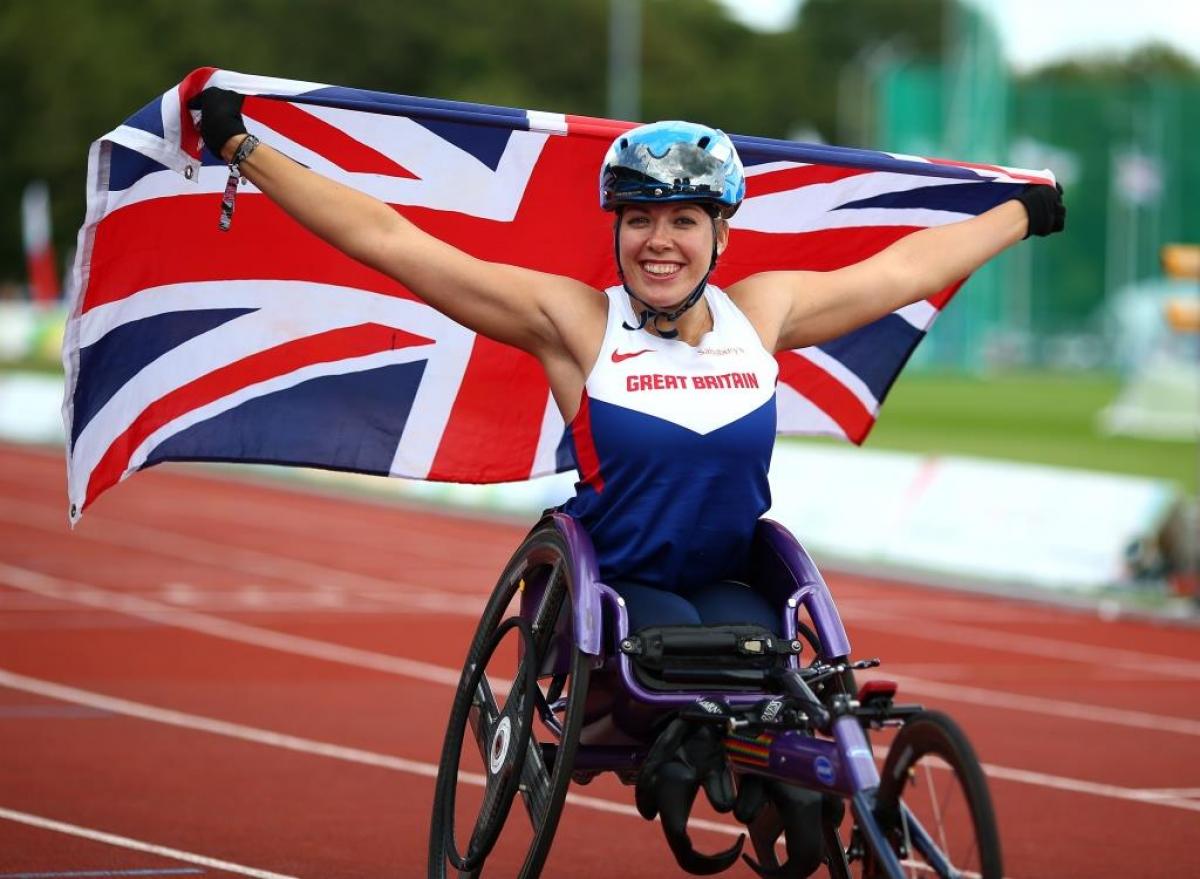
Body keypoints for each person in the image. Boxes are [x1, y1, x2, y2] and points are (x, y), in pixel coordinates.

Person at [195, 89, 1063, 636]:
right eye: (640, 219)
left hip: (730, 575)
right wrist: (247, 151)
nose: (659, 241)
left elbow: (904, 270)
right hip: (617, 584)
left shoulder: (761, 312)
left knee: (789, 679)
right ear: (615, 228)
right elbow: (394, 241)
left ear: (720, 234)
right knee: (685, 673)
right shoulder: (574, 321)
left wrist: (1022, 213)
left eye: (684, 220)